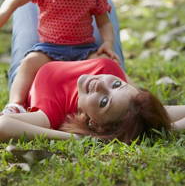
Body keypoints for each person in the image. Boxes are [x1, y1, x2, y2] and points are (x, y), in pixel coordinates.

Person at [0, 0, 120, 114]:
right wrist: (4, 13)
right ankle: (15, 104)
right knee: (29, 62)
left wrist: (108, 43)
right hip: (49, 49)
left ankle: (127, 98)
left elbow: (104, 22)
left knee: (106, 63)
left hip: (84, 49)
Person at [1, 56, 185, 144]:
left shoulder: (52, 114)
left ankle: (14, 103)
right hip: (91, 41)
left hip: (33, 57)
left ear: (94, 123)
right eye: (116, 84)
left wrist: (80, 139)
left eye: (104, 102)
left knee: (26, 10)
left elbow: (3, 126)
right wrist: (168, 128)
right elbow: (161, 115)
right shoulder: (131, 103)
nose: (100, 85)